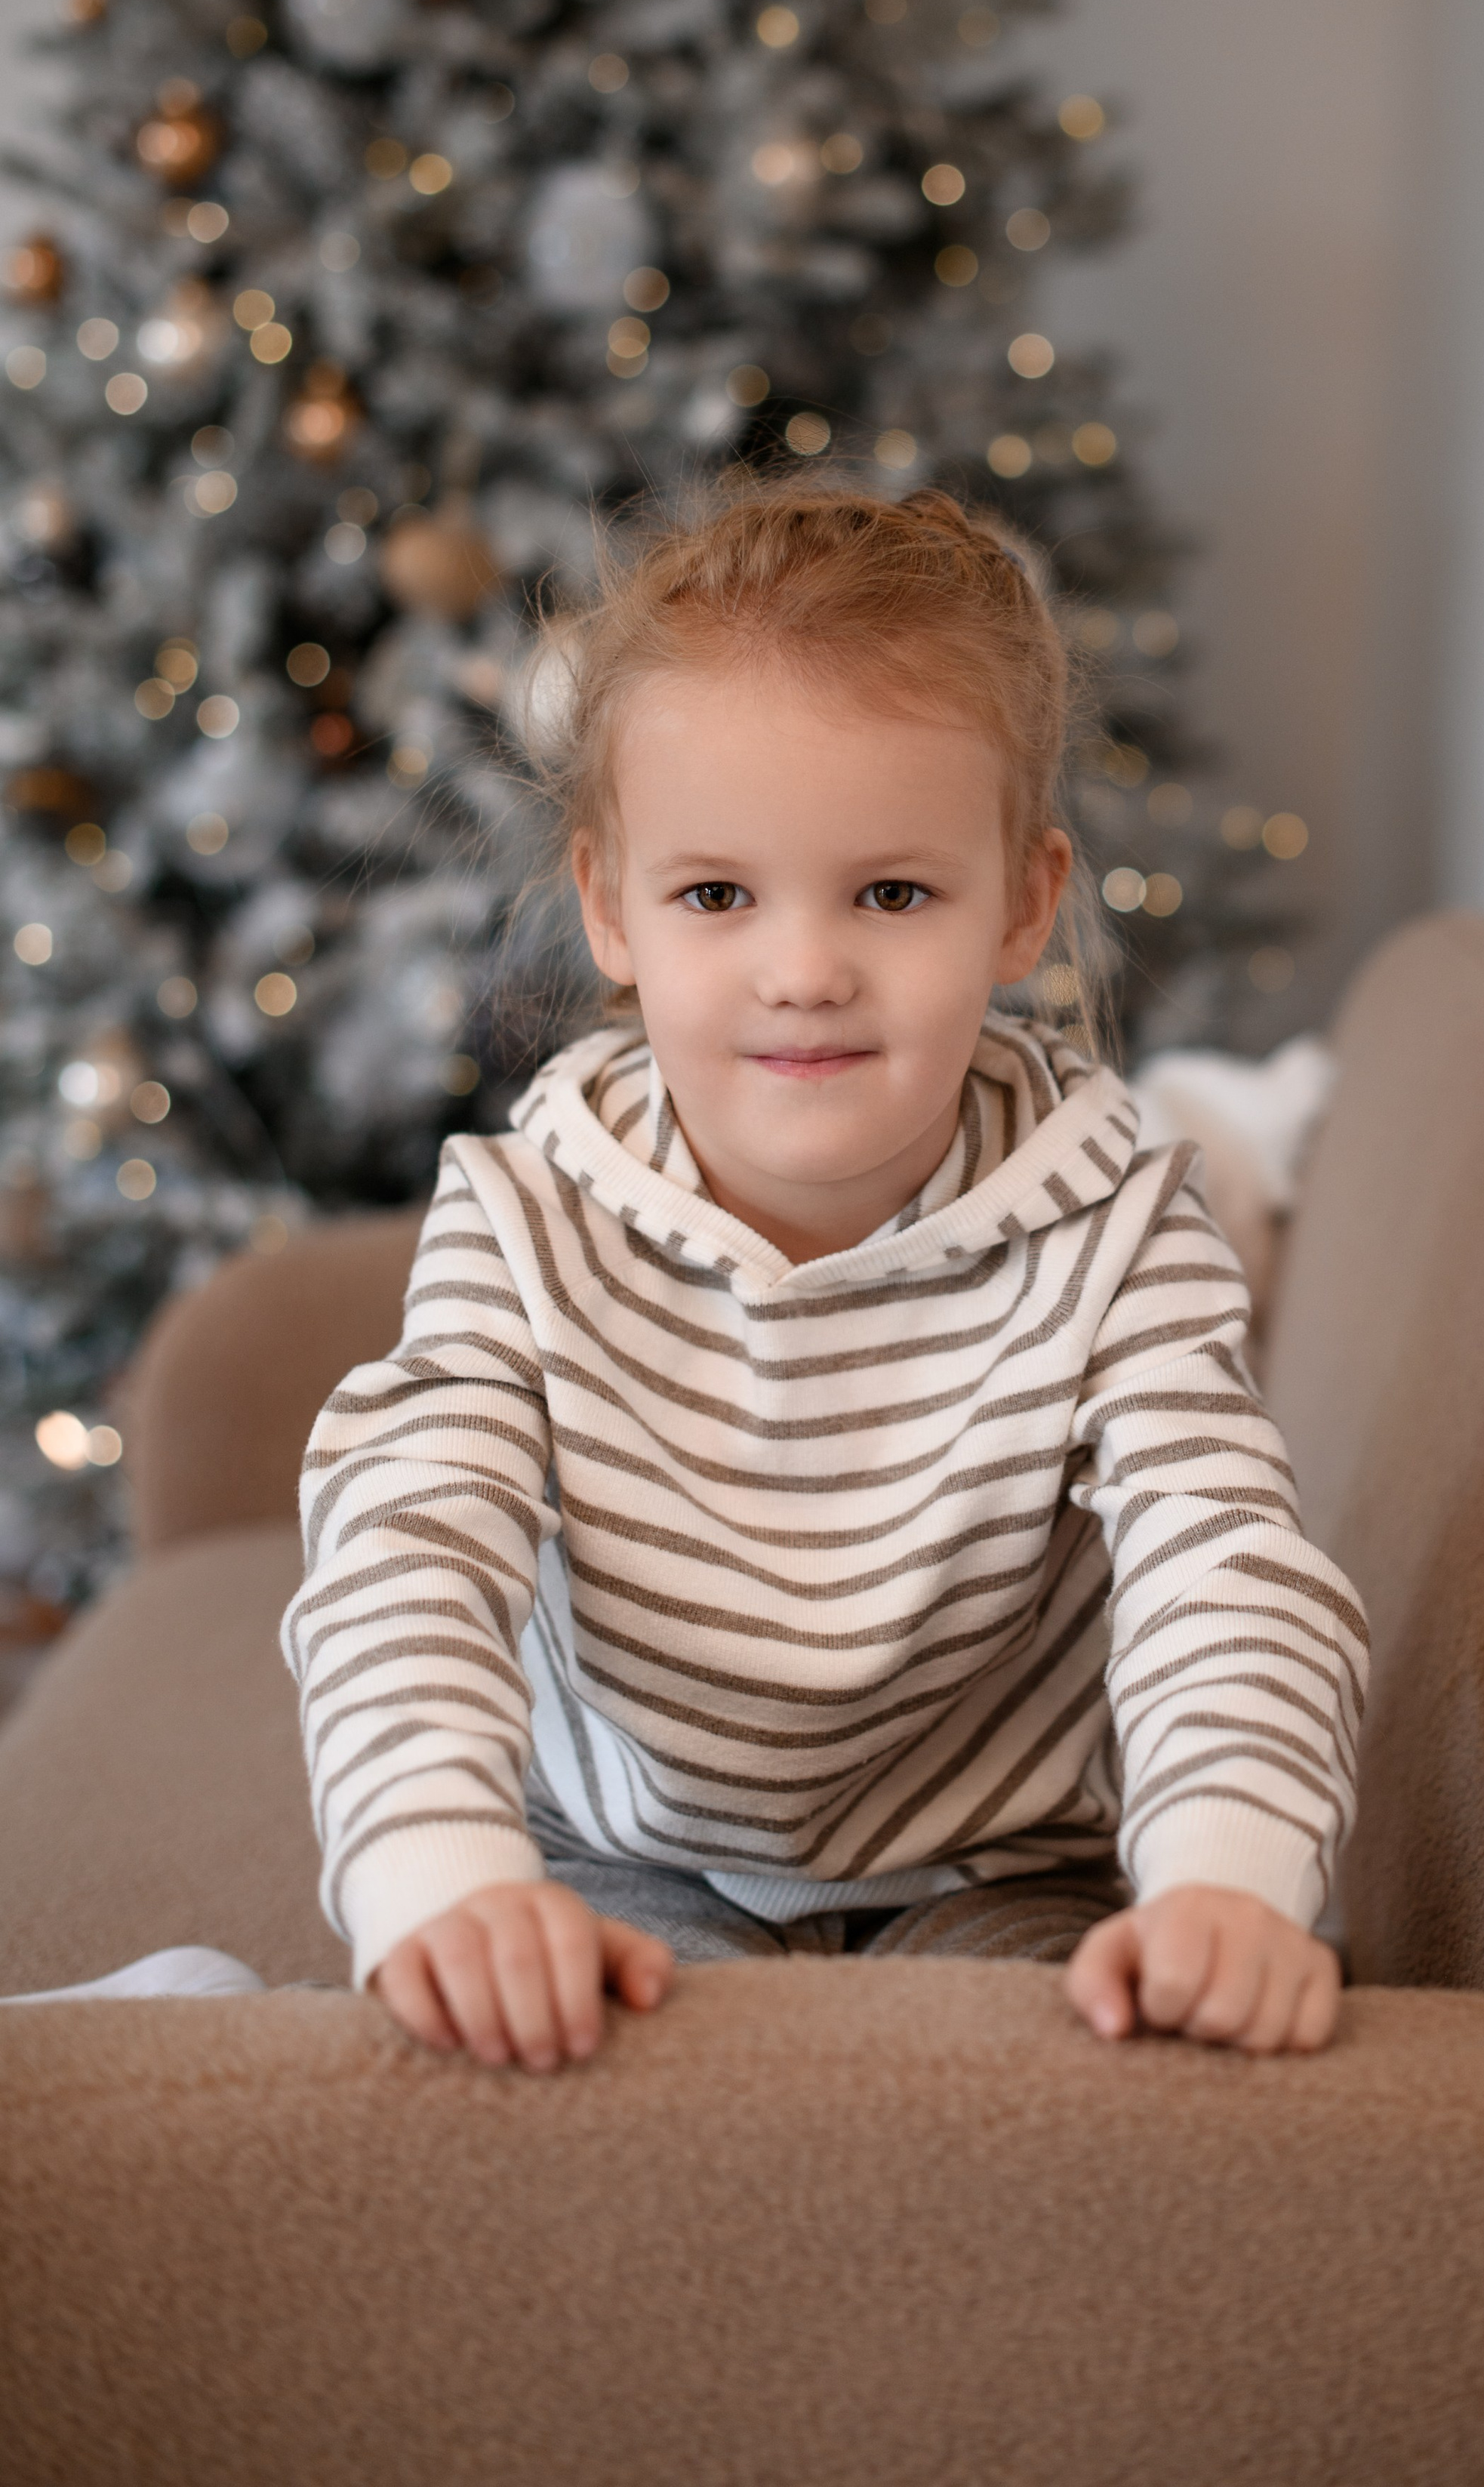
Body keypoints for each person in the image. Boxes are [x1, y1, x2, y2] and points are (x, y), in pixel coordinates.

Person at [280, 480, 1369, 2074]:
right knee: (549, 2083)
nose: (802, 970)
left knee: (1102, 2079)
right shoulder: (519, 1220)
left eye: (890, 892)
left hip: (1006, 1870)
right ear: (609, 908)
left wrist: (1225, 1884)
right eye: (716, 895)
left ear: (1020, 903)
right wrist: (437, 1884)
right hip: (628, 1856)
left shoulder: (1117, 1221)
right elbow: (405, 1549)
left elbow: (1223, 1564)